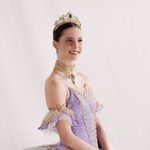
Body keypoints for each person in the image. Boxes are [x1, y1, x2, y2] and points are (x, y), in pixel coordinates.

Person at [25, 12, 110, 150]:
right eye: (69, 40)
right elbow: (67, 138)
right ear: (55, 44)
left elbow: (98, 126)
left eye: (80, 40)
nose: (76, 46)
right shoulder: (55, 83)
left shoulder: (84, 78)